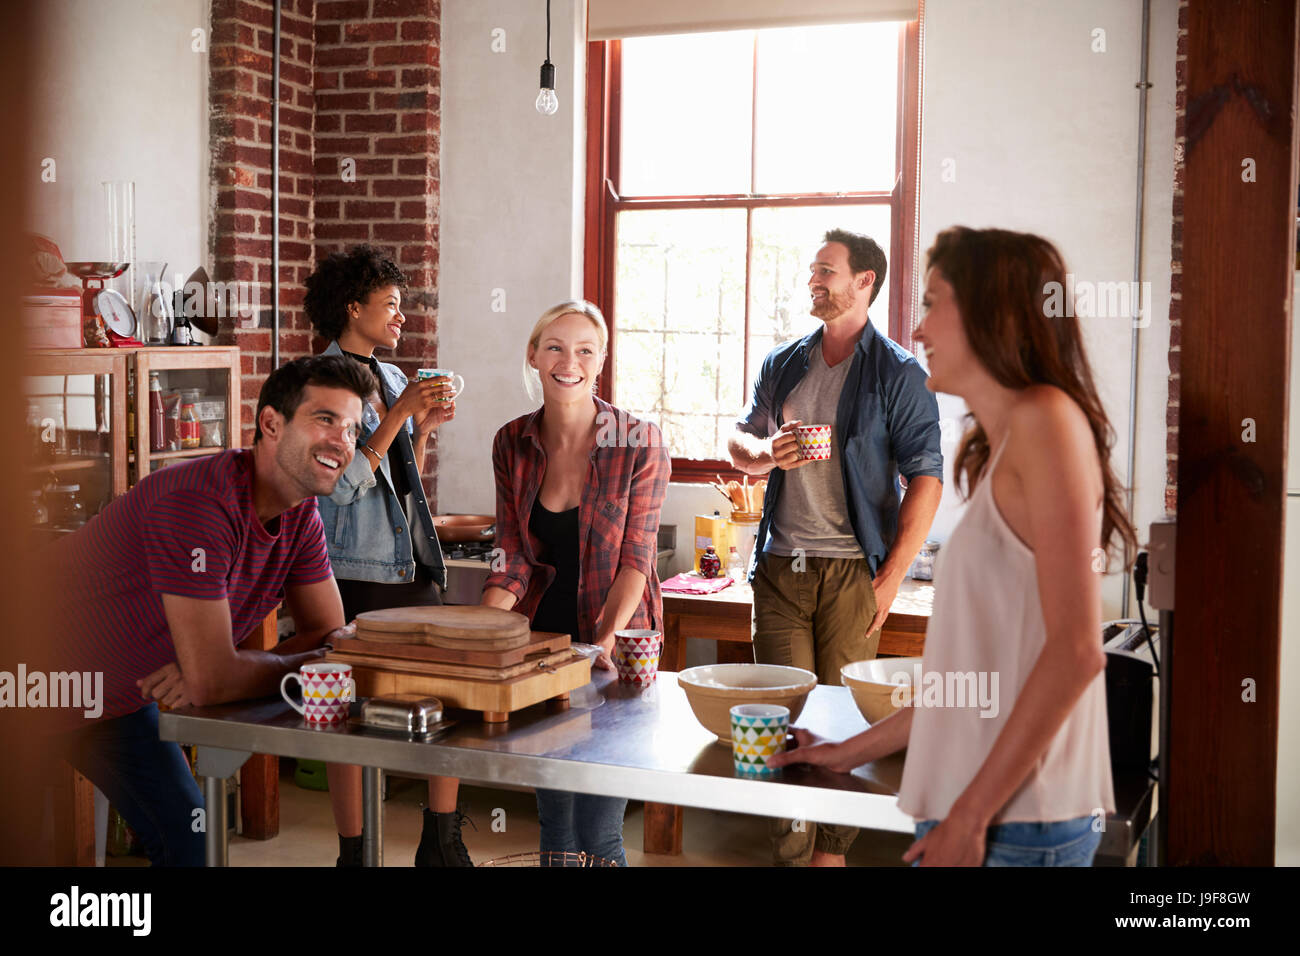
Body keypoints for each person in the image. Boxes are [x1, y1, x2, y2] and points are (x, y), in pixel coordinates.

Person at [770, 226, 1137, 867]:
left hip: (1016, 816)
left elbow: (1078, 654)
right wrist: (843, 752)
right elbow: (968, 682)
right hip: (979, 803)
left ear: (991, 313)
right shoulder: (1009, 440)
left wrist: (970, 818)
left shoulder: (1048, 421)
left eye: (935, 302)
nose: (919, 330)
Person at [42, 356, 374, 866]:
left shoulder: (300, 515)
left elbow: (332, 635)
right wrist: (277, 669)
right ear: (270, 423)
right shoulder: (200, 503)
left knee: (192, 842)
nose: (342, 442)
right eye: (325, 419)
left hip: (117, 700)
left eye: (351, 428)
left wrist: (229, 670)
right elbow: (219, 679)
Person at [728, 228, 944, 866]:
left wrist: (892, 578)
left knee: (842, 723)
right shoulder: (783, 362)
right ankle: (792, 851)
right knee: (781, 719)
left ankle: (831, 857)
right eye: (813, 270)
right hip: (778, 570)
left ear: (864, 282)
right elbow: (739, 442)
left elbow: (926, 477)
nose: (814, 280)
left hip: (854, 575)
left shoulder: (900, 374)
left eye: (827, 270)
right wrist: (767, 453)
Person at [480, 300, 670, 866]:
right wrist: (481, 634)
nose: (570, 361)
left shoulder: (638, 441)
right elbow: (511, 554)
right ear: (534, 356)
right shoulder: (511, 441)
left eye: (585, 350)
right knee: (555, 819)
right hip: (543, 642)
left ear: (601, 361)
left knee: (599, 826)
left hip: (617, 640)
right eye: (556, 347)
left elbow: (636, 561)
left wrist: (600, 646)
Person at [303, 245, 471, 867]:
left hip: (411, 564)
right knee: (348, 712)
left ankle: (442, 839)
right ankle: (355, 853)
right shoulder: (319, 383)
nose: (402, 318)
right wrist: (399, 414)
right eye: (391, 306)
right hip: (354, 573)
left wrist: (421, 431)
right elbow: (340, 485)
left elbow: (403, 482)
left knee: (442, 702)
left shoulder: (395, 377)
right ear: (353, 308)